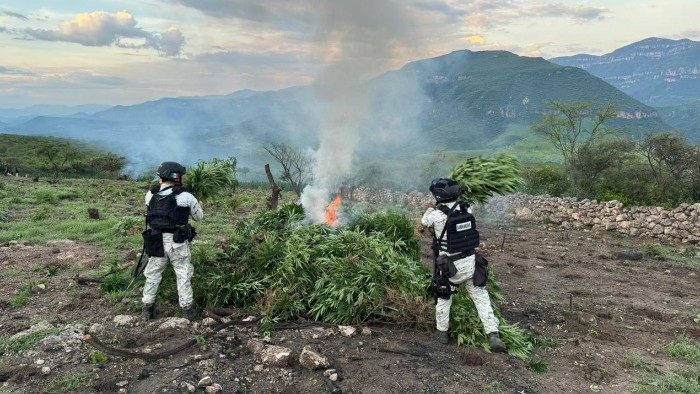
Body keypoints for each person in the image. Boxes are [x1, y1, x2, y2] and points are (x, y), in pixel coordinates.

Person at [421, 177, 507, 352]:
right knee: (482, 299)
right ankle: (493, 335)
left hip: (450, 268)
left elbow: (424, 222)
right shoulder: (467, 208)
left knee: (444, 298)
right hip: (471, 263)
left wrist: (429, 208)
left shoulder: (437, 215)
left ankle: (442, 333)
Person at [142, 161, 203, 321]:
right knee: (183, 273)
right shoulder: (186, 196)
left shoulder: (150, 194)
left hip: (155, 240)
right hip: (177, 241)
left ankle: (147, 309)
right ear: (176, 176)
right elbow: (199, 217)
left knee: (153, 274)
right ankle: (187, 310)